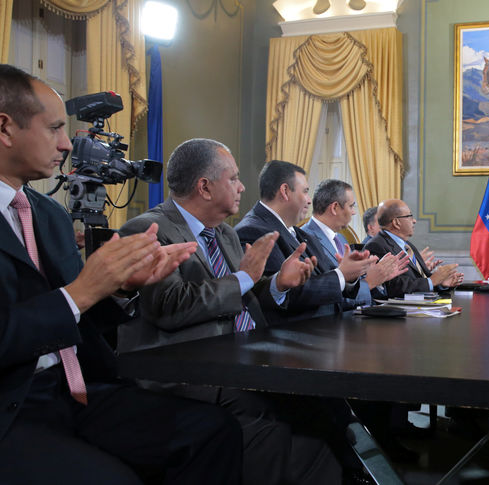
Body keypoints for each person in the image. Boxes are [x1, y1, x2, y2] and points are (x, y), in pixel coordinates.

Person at [0, 65, 243, 483]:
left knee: (214, 431)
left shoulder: (51, 216)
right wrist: (80, 292)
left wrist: (122, 287)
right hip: (13, 404)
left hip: (75, 390)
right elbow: (62, 304)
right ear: (5, 128)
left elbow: (83, 310)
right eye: (55, 129)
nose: (66, 145)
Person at [118, 139, 340, 485]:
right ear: (205, 187)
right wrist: (244, 278)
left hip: (244, 359)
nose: (243, 187)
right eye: (234, 178)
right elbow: (169, 307)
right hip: (190, 371)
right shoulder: (149, 230)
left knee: (326, 409)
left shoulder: (224, 232)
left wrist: (278, 284)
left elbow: (242, 291)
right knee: (277, 424)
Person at [236, 161, 405, 321]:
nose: (309, 200)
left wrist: (352, 275)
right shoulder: (253, 230)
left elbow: (328, 280)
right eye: (305, 191)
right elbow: (286, 297)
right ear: (285, 191)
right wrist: (344, 275)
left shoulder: (299, 233)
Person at [364, 198, 462, 297]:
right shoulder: (376, 246)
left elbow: (422, 280)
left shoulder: (407, 245)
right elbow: (393, 288)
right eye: (409, 216)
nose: (414, 221)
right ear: (396, 222)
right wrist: (432, 281)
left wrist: (441, 283)